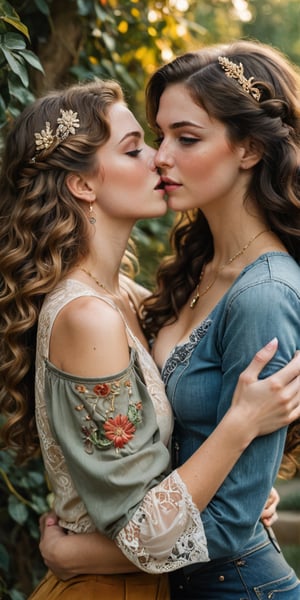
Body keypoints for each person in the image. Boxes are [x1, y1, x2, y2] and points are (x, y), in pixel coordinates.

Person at [0, 74, 299, 600]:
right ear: (84, 185)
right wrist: (241, 425)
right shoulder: (87, 316)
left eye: (169, 141)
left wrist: (243, 493)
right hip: (107, 588)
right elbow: (141, 531)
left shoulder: (133, 299)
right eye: (136, 148)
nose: (159, 159)